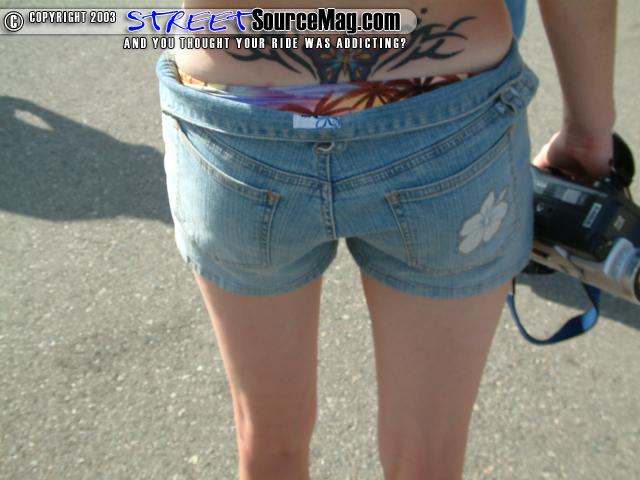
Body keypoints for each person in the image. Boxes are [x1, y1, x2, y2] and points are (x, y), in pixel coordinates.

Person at [156, 1, 617, 478]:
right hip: (449, 114)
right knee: (428, 459)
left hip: (235, 117)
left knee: (268, 441)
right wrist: (588, 135)